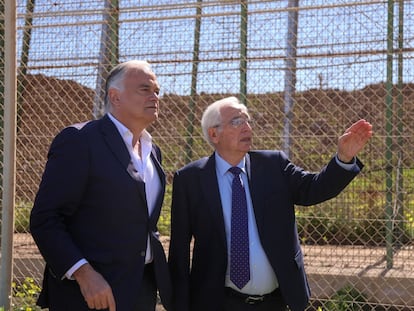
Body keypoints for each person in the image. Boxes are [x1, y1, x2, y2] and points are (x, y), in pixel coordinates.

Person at [168, 96, 373, 311]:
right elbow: (179, 250)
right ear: (214, 134)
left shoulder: (274, 165)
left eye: (247, 120)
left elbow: (314, 189)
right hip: (217, 302)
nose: (247, 127)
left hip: (275, 301)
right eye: (237, 122)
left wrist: (343, 158)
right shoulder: (190, 179)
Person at [30, 60, 171, 311]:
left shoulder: (153, 152)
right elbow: (45, 218)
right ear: (115, 97)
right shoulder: (80, 141)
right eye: (145, 89)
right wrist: (83, 273)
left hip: (141, 289)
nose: (155, 97)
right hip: (90, 295)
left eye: (157, 91)